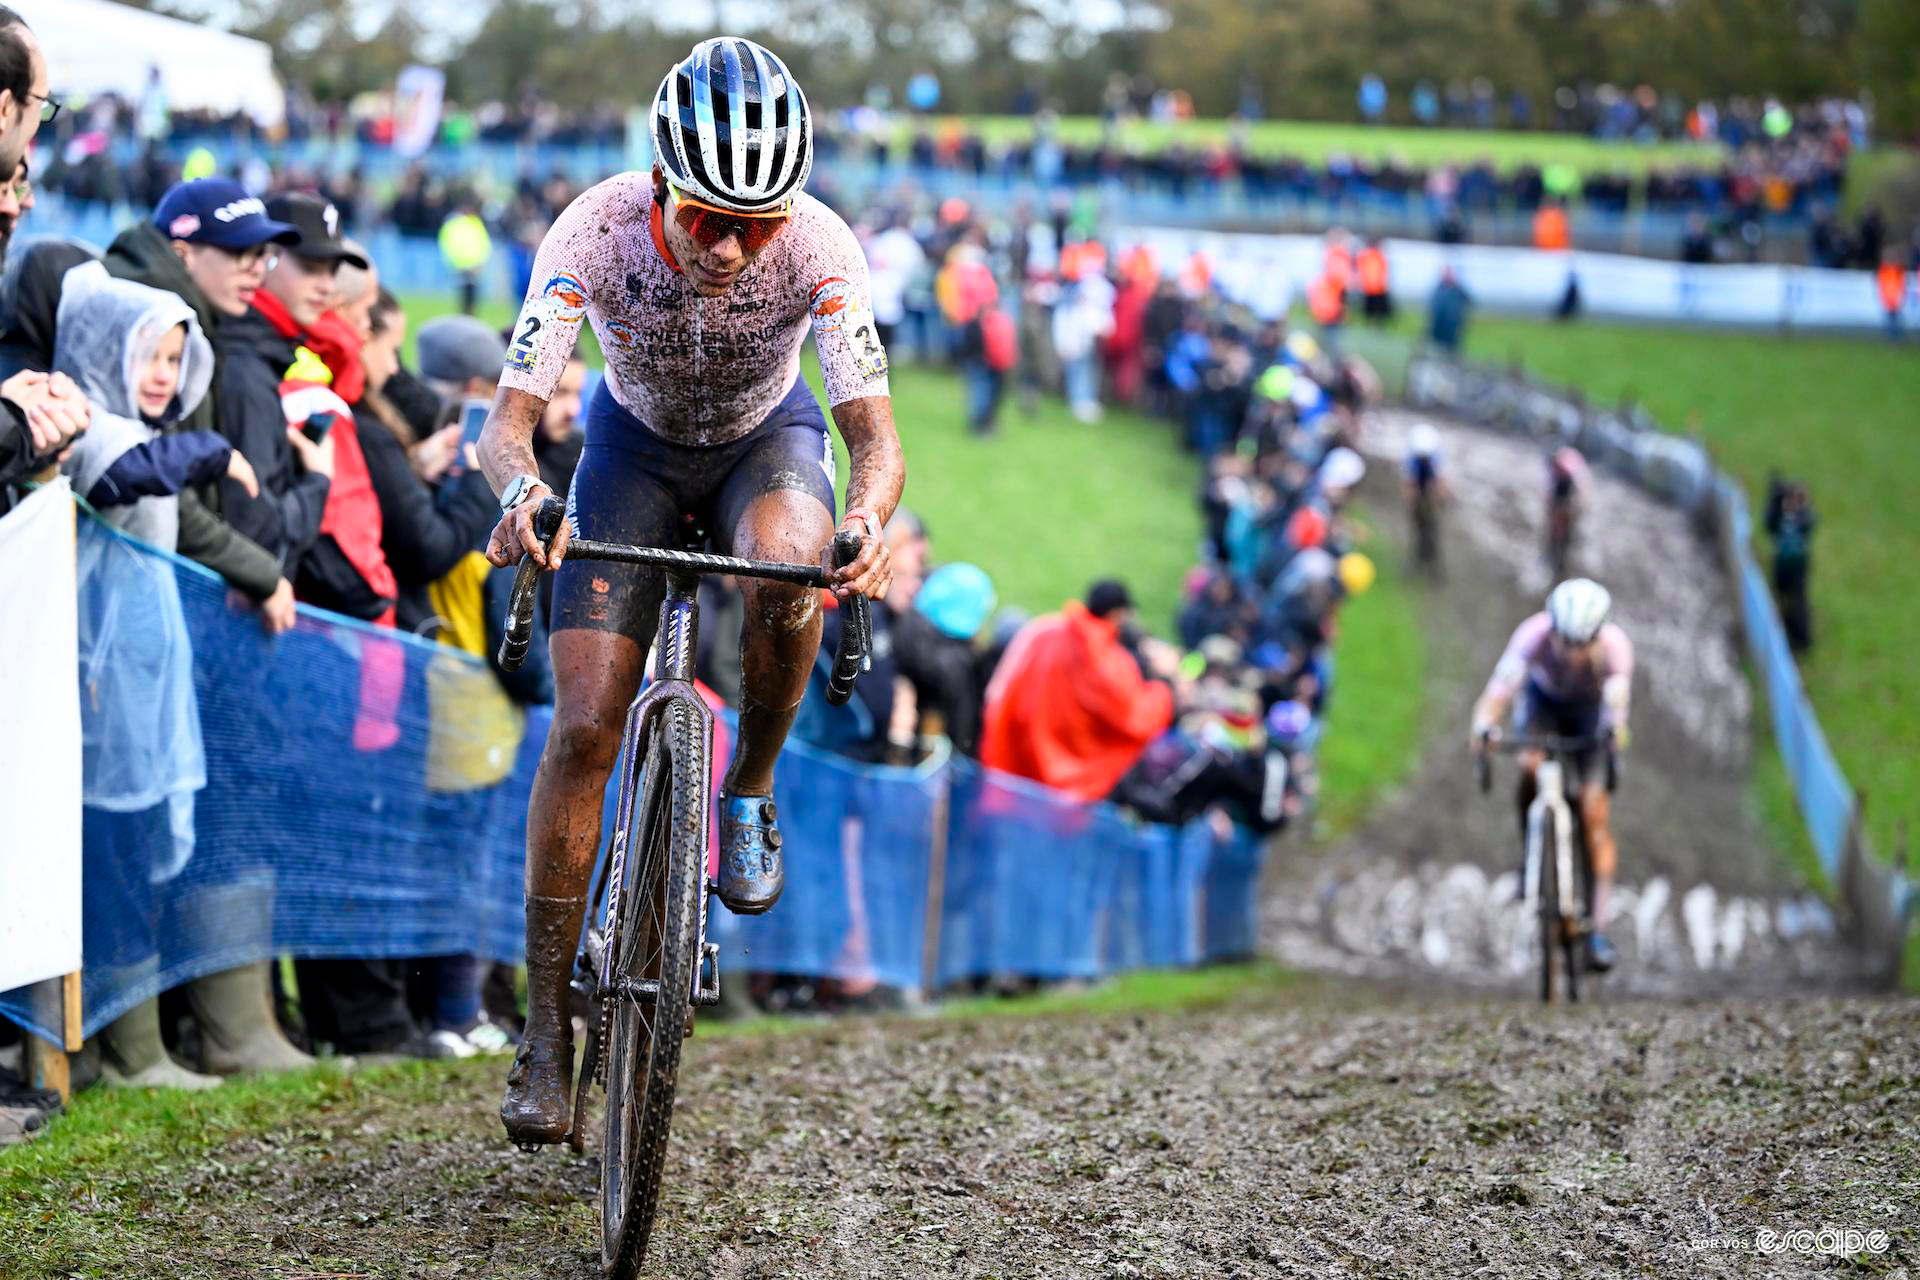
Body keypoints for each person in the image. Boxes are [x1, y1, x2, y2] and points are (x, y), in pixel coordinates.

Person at [479, 37, 903, 1147]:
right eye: (707, 218)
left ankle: (748, 784)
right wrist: (525, 489)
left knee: (794, 563)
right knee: (582, 726)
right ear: (660, 187)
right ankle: (547, 1026)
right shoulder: (595, 229)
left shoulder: (820, 244)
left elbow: (876, 440)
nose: (729, 246)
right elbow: (509, 419)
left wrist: (865, 521)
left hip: (766, 442)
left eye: (755, 224)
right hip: (632, 450)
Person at [1470, 579, 1633, 972]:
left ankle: (1597, 927)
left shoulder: (1616, 648)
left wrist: (1614, 739)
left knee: (1595, 814)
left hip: (1591, 716)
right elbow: (1499, 690)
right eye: (1565, 641)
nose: (1573, 653)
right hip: (1542, 705)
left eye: (1582, 644)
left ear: (1597, 635)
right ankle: (1532, 847)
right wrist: (1485, 728)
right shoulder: (1533, 634)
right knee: (1529, 766)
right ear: (1553, 628)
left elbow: (1618, 714)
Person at [980, 580, 1182, 802]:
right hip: (1067, 791)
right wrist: (1165, 686)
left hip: (1019, 763)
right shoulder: (1109, 662)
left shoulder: (1046, 632)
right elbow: (1136, 717)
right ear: (1116, 614)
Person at [1764, 475, 1816, 651]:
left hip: (1798, 565)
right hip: (1781, 565)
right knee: (1781, 599)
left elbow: (1809, 523)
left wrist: (1798, 510)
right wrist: (1776, 502)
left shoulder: (1804, 516)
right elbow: (1769, 525)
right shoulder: (1780, 515)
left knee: (1798, 602)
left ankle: (1801, 639)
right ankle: (1782, 635)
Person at [1403, 422, 1448, 572]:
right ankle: (1420, 558)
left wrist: (1435, 501)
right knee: (1419, 526)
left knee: (1432, 528)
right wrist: (1413, 502)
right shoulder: (1411, 458)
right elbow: (1410, 483)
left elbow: (1439, 482)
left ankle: (1432, 561)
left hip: (1429, 490)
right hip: (1420, 489)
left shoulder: (1436, 457)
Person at [1427, 266, 1471, 355]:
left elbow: (1468, 301)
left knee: (1451, 349)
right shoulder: (1439, 288)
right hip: (1439, 324)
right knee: (1438, 347)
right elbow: (1433, 305)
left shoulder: (1458, 289)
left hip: (1453, 325)